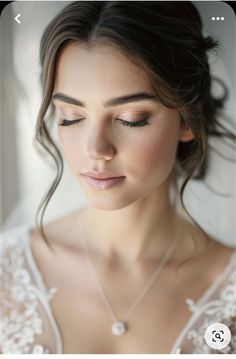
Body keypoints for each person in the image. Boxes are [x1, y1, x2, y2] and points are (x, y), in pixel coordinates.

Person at [0, 1, 235, 354]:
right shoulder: (6, 273)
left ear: (188, 119)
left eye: (131, 118)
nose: (95, 149)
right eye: (70, 116)